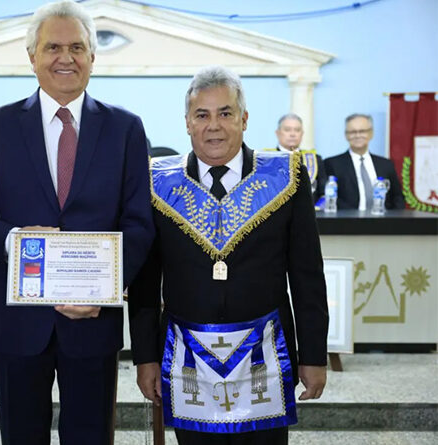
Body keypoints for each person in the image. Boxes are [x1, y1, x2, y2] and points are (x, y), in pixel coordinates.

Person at [0, 1, 154, 444]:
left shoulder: (126, 129)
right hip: (17, 326)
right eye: (53, 47)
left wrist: (108, 284)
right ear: (32, 56)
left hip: (93, 321)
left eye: (77, 47)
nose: (66, 58)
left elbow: (139, 223)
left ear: (93, 57)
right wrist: (17, 239)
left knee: (91, 437)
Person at [129, 66, 328, 445]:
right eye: (201, 115)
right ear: (187, 122)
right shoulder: (157, 181)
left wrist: (314, 355)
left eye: (225, 113)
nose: (214, 126)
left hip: (266, 356)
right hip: (188, 360)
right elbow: (144, 281)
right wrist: (145, 356)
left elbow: (307, 275)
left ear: (244, 118)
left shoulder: (286, 176)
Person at [324, 114, 405, 210]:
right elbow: (330, 198)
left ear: (371, 133)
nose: (357, 135)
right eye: (352, 132)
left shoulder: (386, 164)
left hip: (382, 221)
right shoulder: (332, 164)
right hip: (347, 221)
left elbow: (397, 197)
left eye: (362, 131)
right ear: (346, 135)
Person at [265, 113, 327, 203]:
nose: (292, 134)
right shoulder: (265, 159)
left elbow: (324, 194)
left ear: (302, 134)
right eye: (287, 130)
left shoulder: (314, 160)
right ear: (277, 133)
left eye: (297, 130)